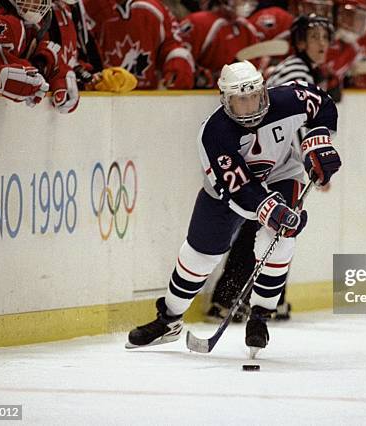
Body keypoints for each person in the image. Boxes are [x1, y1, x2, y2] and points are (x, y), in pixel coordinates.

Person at [127, 60, 341, 353]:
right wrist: (272, 210)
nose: (251, 105)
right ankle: (168, 320)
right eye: (241, 100)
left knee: (277, 241)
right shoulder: (214, 133)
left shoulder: (288, 99)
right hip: (227, 193)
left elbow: (323, 103)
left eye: (254, 95)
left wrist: (318, 141)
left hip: (281, 176)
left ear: (263, 91)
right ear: (226, 101)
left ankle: (260, 316)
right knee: (198, 257)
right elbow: (240, 189)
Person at [204, 13, 335, 324]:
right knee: (266, 225)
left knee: (273, 226)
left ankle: (243, 297)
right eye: (313, 37)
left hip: (271, 159)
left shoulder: (299, 68)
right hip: (265, 161)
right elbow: (288, 117)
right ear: (299, 41)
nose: (322, 44)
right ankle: (230, 297)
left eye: (325, 38)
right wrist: (311, 154)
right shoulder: (296, 69)